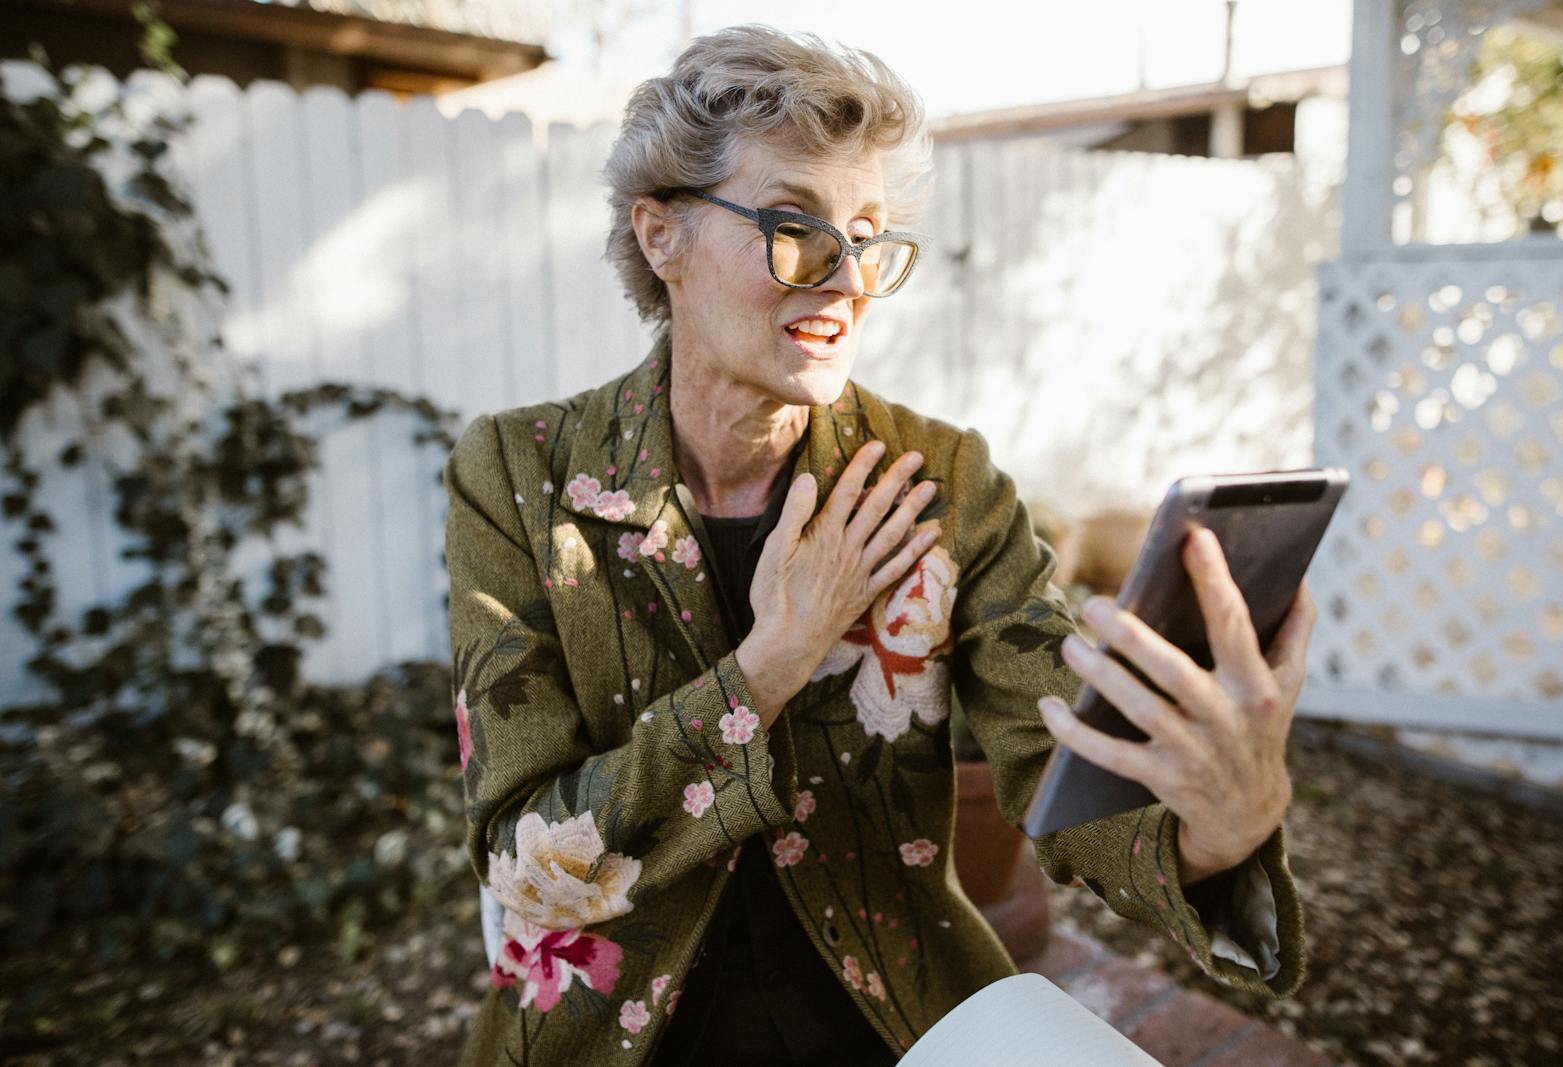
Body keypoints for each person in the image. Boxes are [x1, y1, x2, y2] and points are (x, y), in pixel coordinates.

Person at [446, 26, 1313, 1066]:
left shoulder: (939, 482)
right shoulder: (518, 476)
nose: (848, 278)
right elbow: (525, 863)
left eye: (868, 236)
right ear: (660, 235)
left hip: (905, 1024)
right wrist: (769, 662)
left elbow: (1055, 758)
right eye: (794, 228)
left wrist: (1219, 828)